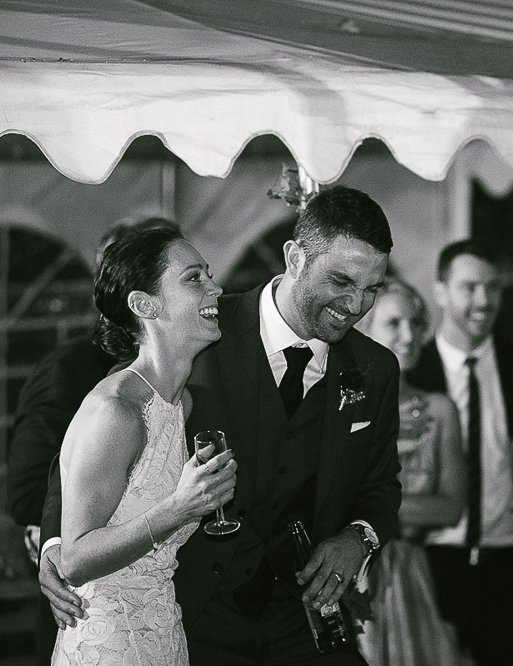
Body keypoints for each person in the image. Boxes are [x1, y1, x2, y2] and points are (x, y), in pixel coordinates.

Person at [42, 185, 402, 665]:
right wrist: (56, 543)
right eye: (341, 281)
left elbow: (382, 485)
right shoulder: (198, 329)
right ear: (295, 258)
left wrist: (359, 537)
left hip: (303, 618)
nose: (355, 305)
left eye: (372, 288)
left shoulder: (375, 369)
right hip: (198, 614)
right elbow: (91, 440)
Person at [48, 227, 238, 665]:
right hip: (109, 642)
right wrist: (179, 508)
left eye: (208, 275)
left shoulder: (181, 403)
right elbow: (74, 560)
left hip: (165, 632)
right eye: (194, 278)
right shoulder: (115, 410)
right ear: (145, 305)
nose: (215, 288)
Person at [7, 217, 178, 666]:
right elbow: (32, 487)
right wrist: (55, 543)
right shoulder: (68, 371)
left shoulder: (191, 362)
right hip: (91, 611)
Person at [406, 239, 513, 666]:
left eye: (493, 288)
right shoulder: (413, 371)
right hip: (433, 562)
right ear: (440, 292)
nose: (484, 301)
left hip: (511, 568)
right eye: (470, 287)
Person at [356, 278, 465, 666]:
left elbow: (450, 508)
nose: (410, 335)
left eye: (416, 323)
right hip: (349, 574)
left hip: (411, 578)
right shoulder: (339, 407)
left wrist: (365, 506)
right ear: (363, 330)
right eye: (394, 323)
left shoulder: (439, 410)